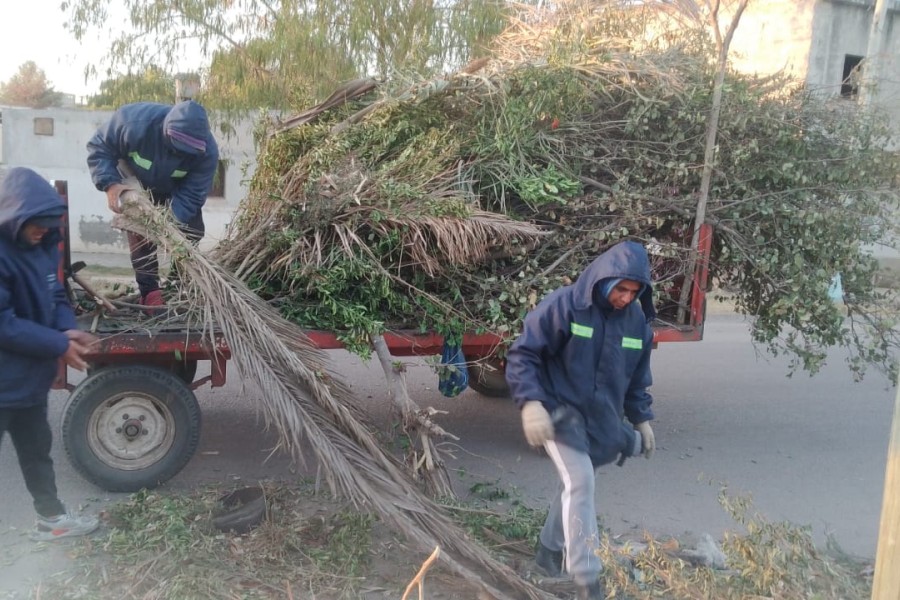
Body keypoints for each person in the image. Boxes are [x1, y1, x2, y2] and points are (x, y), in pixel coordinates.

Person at [505, 240, 657, 600]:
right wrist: (531, 404)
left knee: (574, 488)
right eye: (620, 288)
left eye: (633, 292)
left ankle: (547, 555)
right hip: (560, 414)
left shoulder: (636, 322)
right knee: (581, 482)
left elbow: (637, 377)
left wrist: (641, 419)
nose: (625, 297)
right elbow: (524, 354)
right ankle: (587, 580)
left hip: (603, 421)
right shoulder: (566, 305)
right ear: (604, 278)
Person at [0, 167, 100, 541]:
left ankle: (51, 519)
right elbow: (3, 324)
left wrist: (66, 327)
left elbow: (56, 295)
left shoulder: (43, 248)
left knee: (37, 455)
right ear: (15, 216)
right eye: (35, 225)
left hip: (29, 384)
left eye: (47, 224)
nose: (42, 231)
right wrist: (58, 345)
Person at [86, 100, 219, 308]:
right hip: (134, 183)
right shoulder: (133, 122)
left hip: (176, 192)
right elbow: (100, 146)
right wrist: (110, 184)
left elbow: (193, 194)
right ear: (166, 130)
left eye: (186, 151)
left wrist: (168, 224)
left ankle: (180, 286)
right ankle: (150, 294)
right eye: (177, 147)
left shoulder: (207, 153)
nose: (180, 154)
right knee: (141, 238)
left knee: (191, 232)